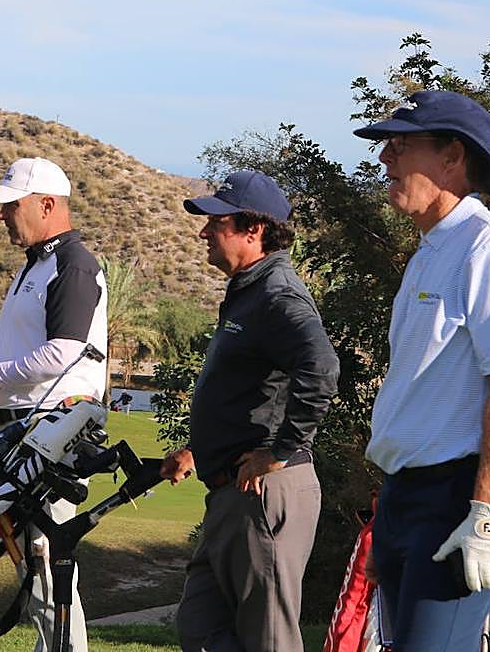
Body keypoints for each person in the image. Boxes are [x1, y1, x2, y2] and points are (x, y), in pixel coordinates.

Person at [353, 89, 490, 651]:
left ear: (452, 158)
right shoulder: (430, 252)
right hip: (406, 499)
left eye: (400, 145)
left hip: (462, 497)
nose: (384, 159)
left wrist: (488, 514)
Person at [161, 169, 340, 652]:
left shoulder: (278, 296)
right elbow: (254, 392)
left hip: (263, 489)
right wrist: (201, 449)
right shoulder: (249, 293)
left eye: (215, 222)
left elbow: (321, 370)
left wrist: (279, 451)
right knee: (199, 628)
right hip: (231, 494)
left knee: (269, 642)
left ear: (253, 230)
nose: (203, 232)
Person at [0, 156, 107, 652]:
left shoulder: (74, 265)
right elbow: (25, 350)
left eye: (12, 205)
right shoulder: (37, 266)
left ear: (47, 205)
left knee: (46, 565)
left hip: (53, 434)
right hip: (26, 431)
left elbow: (63, 352)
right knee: (35, 566)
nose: (3, 215)